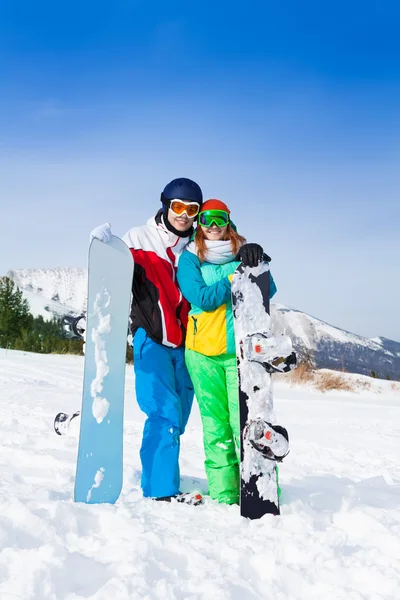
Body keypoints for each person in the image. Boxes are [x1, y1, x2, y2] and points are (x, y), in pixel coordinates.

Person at [90, 177, 205, 504]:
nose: (183, 214)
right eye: (178, 207)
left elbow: (223, 239)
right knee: (164, 412)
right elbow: (115, 272)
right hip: (151, 338)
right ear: (166, 204)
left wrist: (245, 248)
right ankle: (161, 491)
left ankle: (161, 471)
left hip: (189, 347)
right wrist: (105, 250)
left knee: (178, 416)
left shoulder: (198, 246)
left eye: (191, 209)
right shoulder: (139, 239)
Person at [176, 199, 276, 505]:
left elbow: (267, 291)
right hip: (202, 353)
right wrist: (236, 277)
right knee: (215, 427)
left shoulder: (244, 255)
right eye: (206, 220)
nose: (213, 227)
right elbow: (202, 298)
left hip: (241, 355)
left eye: (219, 220)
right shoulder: (191, 258)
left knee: (245, 423)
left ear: (229, 222)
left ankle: (260, 490)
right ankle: (224, 493)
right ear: (199, 224)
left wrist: (258, 264)